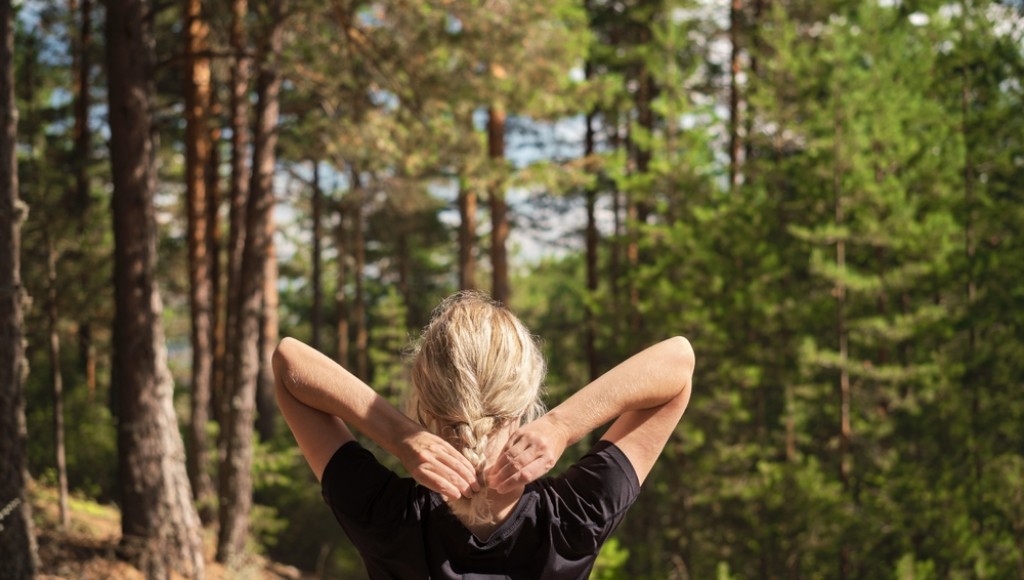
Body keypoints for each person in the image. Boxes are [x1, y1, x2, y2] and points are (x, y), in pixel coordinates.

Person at [274, 291, 695, 579]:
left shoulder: (385, 517)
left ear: (427, 403)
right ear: (525, 399)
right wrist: (561, 426)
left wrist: (399, 436)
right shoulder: (571, 520)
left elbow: (289, 361)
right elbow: (678, 362)